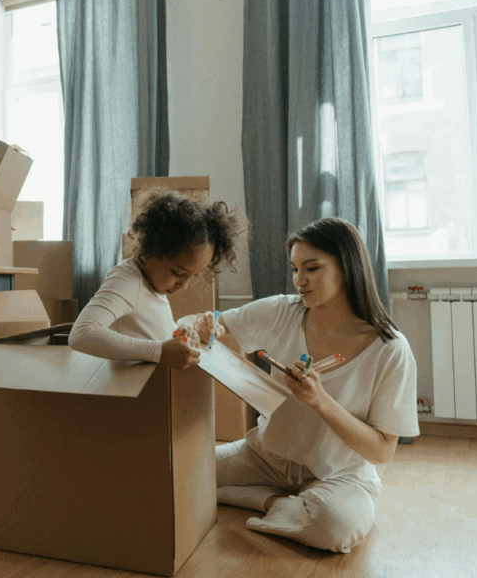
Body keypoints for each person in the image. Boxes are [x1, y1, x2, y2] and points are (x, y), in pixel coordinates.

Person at [179, 217, 419, 553]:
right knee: (177, 470)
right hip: (264, 456)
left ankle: (258, 499)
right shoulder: (282, 311)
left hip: (336, 475)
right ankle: (271, 500)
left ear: (347, 267)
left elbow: (381, 450)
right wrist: (196, 325)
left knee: (336, 527)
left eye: (311, 268)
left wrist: (321, 401)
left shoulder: (391, 350)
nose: (298, 280)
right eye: (294, 269)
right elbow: (199, 323)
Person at [68, 189, 246, 370]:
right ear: (153, 247)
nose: (184, 286)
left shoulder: (150, 285)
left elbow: (148, 331)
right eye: (178, 273)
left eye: (193, 276)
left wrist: (182, 331)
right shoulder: (127, 282)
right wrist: (159, 351)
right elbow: (81, 334)